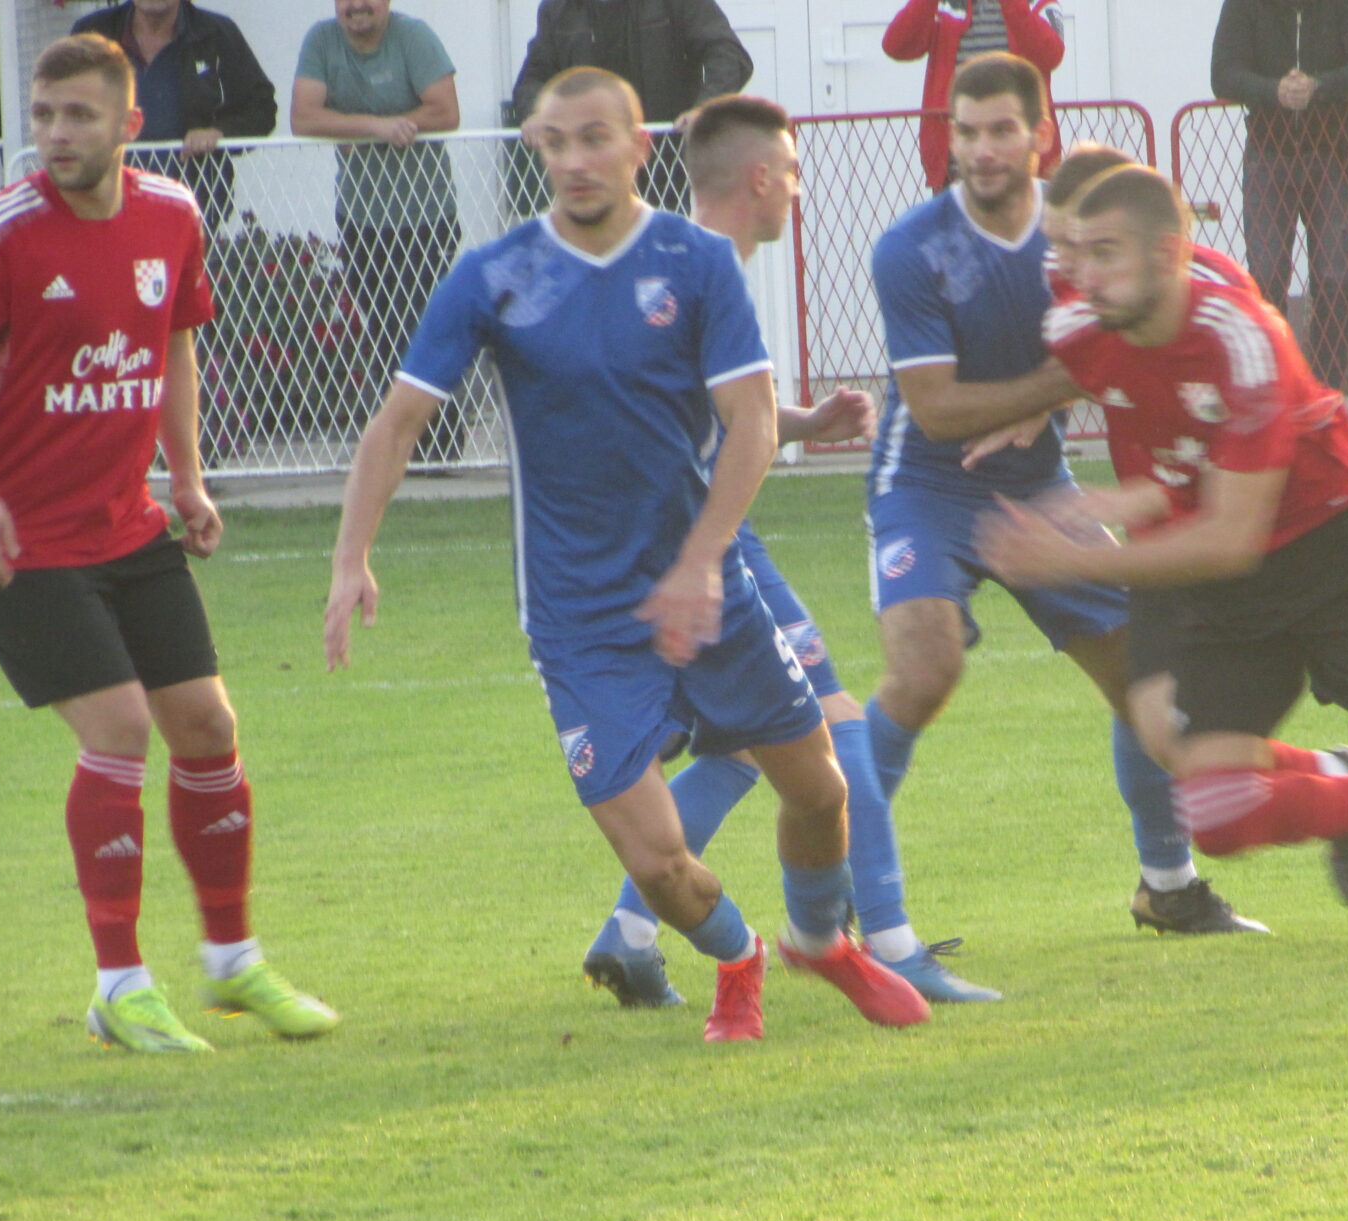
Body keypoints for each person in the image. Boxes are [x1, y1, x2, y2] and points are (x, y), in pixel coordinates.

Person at [324, 67, 930, 1042]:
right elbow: (396, 425)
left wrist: (702, 559)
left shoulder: (697, 262)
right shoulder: (494, 275)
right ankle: (739, 956)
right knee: (656, 863)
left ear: (638, 147)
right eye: (555, 142)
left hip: (710, 592)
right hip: (579, 619)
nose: (575, 160)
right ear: (537, 148)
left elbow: (750, 422)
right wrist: (352, 555)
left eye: (594, 138)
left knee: (821, 789)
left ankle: (822, 940)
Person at [979, 163, 1348, 1035]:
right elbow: (1156, 433)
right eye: (1067, 248)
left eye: (1100, 251)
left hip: (1334, 553)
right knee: (1213, 813)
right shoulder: (1078, 324)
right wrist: (1104, 492)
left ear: (1169, 254)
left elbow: (1231, 535)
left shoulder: (1246, 337)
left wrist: (1072, 555)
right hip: (1225, 576)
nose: (1074, 271)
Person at [0, 34, 338, 1054]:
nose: (56, 134)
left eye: (79, 115)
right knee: (118, 725)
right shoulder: (0, 234)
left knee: (207, 725)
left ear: (128, 125)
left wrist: (185, 476)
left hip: (126, 521)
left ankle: (232, 962)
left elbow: (174, 340)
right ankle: (120, 986)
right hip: (19, 537)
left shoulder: (172, 214)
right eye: (44, 115)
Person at [577, 94, 1001, 1009]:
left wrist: (802, 420)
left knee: (746, 749)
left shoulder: (677, 266)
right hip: (701, 546)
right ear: (761, 179)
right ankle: (883, 942)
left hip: (680, 541)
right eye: (796, 173)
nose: (800, 192)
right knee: (836, 728)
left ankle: (631, 933)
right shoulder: (696, 274)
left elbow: (708, 411)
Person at [861, 55, 1268, 938]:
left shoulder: (1082, 234)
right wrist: (1067, 379)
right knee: (924, 670)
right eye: (966, 132)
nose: (982, 150)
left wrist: (1064, 385)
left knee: (1145, 680)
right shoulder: (910, 248)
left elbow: (1155, 317)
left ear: (1041, 135)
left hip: (1039, 488)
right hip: (925, 488)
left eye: (1002, 130)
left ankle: (1168, 887)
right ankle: (842, 895)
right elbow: (935, 412)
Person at [292, 0, 464, 465]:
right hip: (360, 217)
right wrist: (377, 127)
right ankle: (401, 446)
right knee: (385, 329)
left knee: (422, 325)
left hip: (427, 214)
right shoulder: (321, 41)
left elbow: (446, 111)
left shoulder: (414, 37)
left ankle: (442, 445)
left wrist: (395, 126)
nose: (357, 7)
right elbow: (304, 117)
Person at [1211, 0, 1348, 390]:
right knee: (1266, 275)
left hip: (1336, 153)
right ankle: (1276, 390)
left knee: (1333, 279)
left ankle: (1326, 395)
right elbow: (1223, 74)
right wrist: (1273, 91)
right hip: (1269, 153)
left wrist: (1318, 87)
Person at [511, 0, 753, 212]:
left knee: (661, 240)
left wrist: (706, 108)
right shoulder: (560, 8)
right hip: (588, 161)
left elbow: (729, 56)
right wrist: (537, 111)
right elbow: (532, 77)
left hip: (663, 158)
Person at [70, 0, 275, 237]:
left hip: (192, 199)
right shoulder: (93, 33)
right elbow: (63, 101)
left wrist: (219, 132)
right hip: (104, 197)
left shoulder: (215, 32)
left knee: (172, 262)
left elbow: (261, 107)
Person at [882, 0, 1066, 192]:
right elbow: (896, 46)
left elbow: (1051, 55)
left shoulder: (1038, 4)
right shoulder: (946, 5)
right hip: (955, 171)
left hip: (1027, 172)